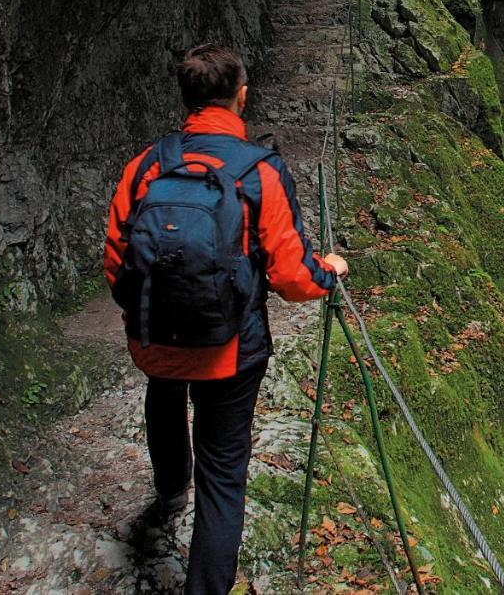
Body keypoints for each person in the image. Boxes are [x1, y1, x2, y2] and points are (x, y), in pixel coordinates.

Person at [104, 44, 347, 594]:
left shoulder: (146, 165)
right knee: (223, 474)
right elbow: (291, 276)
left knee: (164, 390)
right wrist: (328, 272)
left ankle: (169, 487)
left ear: (186, 99)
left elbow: (116, 260)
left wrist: (149, 311)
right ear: (241, 96)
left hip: (154, 341)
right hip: (230, 351)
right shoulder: (260, 173)